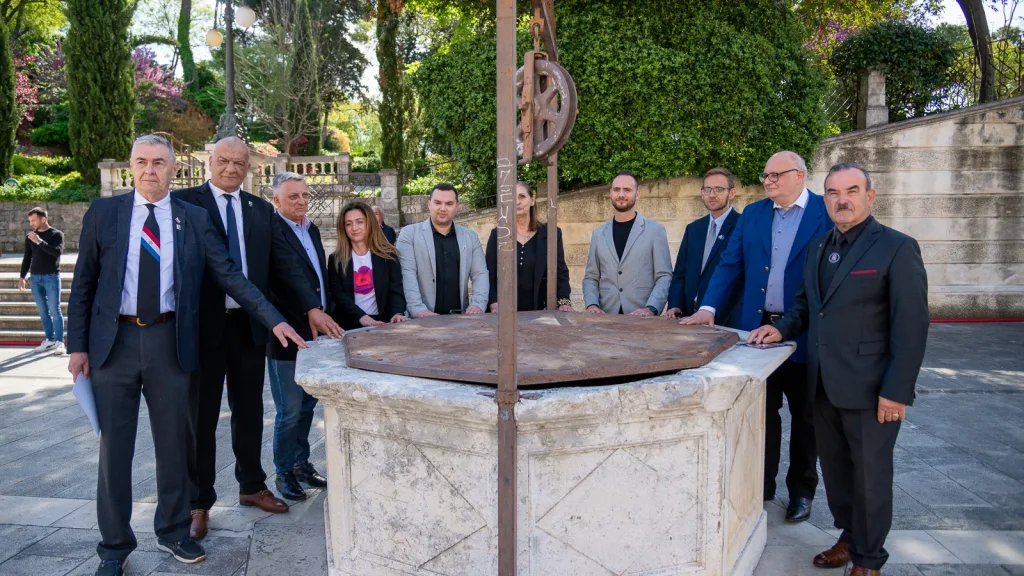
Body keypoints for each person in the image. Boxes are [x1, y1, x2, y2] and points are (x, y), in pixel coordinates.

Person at [66, 135, 308, 576]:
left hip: (169, 342)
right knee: (114, 450)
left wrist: (273, 319)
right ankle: (114, 547)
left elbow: (230, 274)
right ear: (131, 166)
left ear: (174, 169)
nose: (150, 170)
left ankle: (175, 530)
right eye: (142, 161)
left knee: (175, 445)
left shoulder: (191, 218)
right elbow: (84, 282)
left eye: (159, 162)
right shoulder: (104, 213)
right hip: (113, 346)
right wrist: (77, 346)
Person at [748, 163, 929, 576]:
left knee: (870, 476)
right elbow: (806, 306)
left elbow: (911, 326)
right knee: (836, 472)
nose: (841, 200)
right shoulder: (819, 246)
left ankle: (869, 559)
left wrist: (896, 391)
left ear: (870, 196)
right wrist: (781, 329)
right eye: (833, 192)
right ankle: (848, 538)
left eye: (851, 191)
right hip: (822, 385)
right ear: (825, 198)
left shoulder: (897, 248)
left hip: (871, 390)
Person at [173, 137, 342, 539]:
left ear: (249, 168)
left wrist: (310, 306)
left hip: (249, 327)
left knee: (249, 412)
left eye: (239, 162)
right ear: (209, 161)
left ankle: (251, 485)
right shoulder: (185, 203)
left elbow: (283, 264)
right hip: (203, 328)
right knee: (201, 418)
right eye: (224, 161)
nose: (231, 168)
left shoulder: (260, 209)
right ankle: (198, 501)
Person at [683, 151, 833, 522]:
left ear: (799, 175)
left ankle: (801, 493)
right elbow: (730, 263)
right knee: (762, 414)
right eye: (765, 175)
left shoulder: (825, 212)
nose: (768, 181)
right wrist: (709, 308)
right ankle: (761, 487)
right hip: (757, 334)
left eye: (776, 175)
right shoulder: (753, 214)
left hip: (808, 333)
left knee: (807, 417)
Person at [266, 172, 339, 501]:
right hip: (287, 332)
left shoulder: (311, 228)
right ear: (276, 200)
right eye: (293, 196)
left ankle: (301, 464)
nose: (301, 201)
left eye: (305, 195)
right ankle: (283, 472)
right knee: (289, 409)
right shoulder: (271, 230)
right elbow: (285, 278)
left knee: (308, 403)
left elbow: (317, 275)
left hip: (316, 331)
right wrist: (308, 309)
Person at [582, 171, 672, 316]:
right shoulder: (598, 234)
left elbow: (664, 276)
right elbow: (591, 277)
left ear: (637, 194)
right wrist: (592, 304)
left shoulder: (655, 231)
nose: (621, 194)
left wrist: (651, 308)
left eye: (627, 190)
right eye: (616, 189)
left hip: (642, 317)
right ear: (610, 193)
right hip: (606, 316)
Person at [664, 168, 742, 326]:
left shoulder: (742, 225)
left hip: (725, 318)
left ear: (732, 193)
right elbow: (680, 273)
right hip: (688, 317)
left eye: (719, 189)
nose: (712, 195)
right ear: (702, 193)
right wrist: (675, 305)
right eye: (707, 189)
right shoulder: (693, 229)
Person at [396, 184, 488, 317]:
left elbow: (480, 274)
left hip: (460, 318)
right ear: (429, 204)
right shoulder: (409, 234)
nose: (443, 208)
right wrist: (418, 310)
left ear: (457, 207)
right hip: (421, 319)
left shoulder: (470, 237)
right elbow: (407, 273)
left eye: (449, 204)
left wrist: (478, 304)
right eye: (437, 202)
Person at [485, 181, 572, 312]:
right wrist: (494, 302)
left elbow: (561, 271)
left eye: (522, 197)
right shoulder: (498, 235)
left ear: (532, 201)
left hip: (542, 311)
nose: (517, 202)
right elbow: (489, 273)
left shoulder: (550, 233)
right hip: (505, 312)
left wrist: (564, 301)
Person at [328, 201, 409, 329]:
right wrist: (361, 316)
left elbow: (396, 290)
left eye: (359, 222)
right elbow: (338, 294)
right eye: (348, 224)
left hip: (383, 323)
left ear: (369, 223)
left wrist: (397, 313)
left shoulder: (388, 256)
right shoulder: (336, 259)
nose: (354, 228)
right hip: (349, 324)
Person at [19, 207, 65, 354]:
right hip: (35, 278)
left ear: (43, 219)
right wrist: (22, 277)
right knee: (43, 311)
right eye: (30, 221)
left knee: (54, 309)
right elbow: (27, 258)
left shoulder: (57, 234)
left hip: (51, 276)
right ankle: (49, 340)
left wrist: (39, 241)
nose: (31, 223)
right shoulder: (30, 237)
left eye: (34, 220)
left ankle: (59, 341)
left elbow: (56, 253)